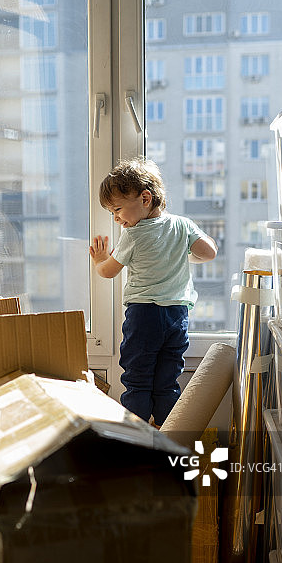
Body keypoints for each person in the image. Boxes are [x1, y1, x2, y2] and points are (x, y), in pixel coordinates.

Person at [89, 158, 218, 426]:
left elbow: (109, 271)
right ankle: (164, 433)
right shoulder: (182, 225)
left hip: (144, 315)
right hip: (177, 315)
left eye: (118, 209)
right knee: (167, 380)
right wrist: (185, 254)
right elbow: (208, 253)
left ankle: (135, 437)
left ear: (145, 198)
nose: (116, 218)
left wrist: (100, 259)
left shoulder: (134, 235)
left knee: (137, 379)